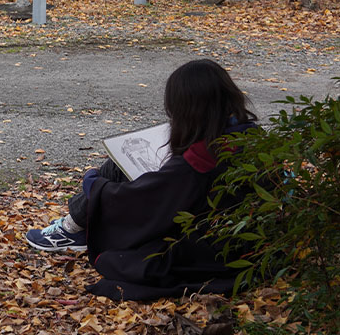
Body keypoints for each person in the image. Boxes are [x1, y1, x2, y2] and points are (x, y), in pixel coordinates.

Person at [25, 59, 258, 300]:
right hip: (237, 241)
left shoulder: (202, 158)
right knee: (117, 165)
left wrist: (93, 184)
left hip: (208, 253)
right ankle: (74, 226)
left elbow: (141, 200)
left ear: (188, 109)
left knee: (118, 261)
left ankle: (73, 228)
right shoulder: (248, 135)